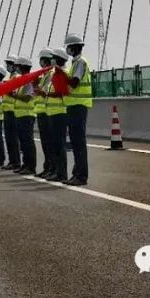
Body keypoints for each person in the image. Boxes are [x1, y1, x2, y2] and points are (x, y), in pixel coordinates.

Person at [62, 33, 93, 187]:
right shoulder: (75, 63)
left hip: (78, 106)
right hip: (74, 106)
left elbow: (74, 83)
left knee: (78, 142)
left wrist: (62, 76)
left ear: (74, 47)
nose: (67, 50)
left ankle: (81, 176)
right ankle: (77, 174)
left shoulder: (80, 62)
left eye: (68, 47)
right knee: (75, 141)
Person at [44, 48, 70, 182]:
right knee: (54, 144)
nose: (52, 60)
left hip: (60, 112)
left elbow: (61, 92)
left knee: (59, 144)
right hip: (53, 113)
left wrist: (45, 94)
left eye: (54, 57)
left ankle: (61, 173)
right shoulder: (55, 73)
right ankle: (56, 171)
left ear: (59, 59)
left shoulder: (63, 73)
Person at [12, 56, 37, 176]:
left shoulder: (28, 80)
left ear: (22, 67)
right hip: (21, 115)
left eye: (18, 66)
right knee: (23, 142)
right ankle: (25, 164)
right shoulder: (23, 80)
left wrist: (14, 96)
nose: (16, 68)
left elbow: (27, 98)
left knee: (27, 142)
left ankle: (30, 166)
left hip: (27, 115)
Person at [1, 54, 21, 171]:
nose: (8, 66)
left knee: (13, 139)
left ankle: (16, 162)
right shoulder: (11, 77)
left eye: (9, 64)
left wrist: (5, 87)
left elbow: (14, 93)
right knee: (9, 139)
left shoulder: (16, 77)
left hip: (12, 111)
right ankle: (12, 161)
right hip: (8, 111)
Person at [35, 49, 53, 178]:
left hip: (47, 112)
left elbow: (45, 92)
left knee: (48, 143)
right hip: (42, 112)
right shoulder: (45, 75)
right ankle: (47, 168)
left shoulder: (50, 74)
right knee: (45, 143)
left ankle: (51, 168)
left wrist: (37, 89)